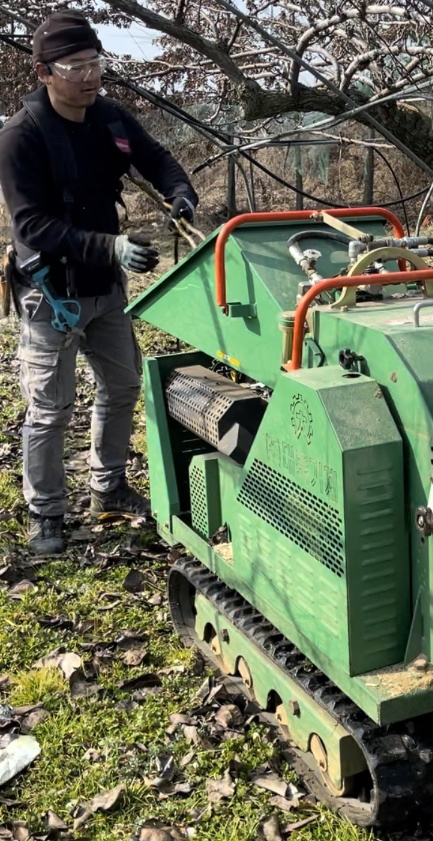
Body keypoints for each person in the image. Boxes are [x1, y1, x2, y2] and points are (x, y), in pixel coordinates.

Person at [0, 10, 198, 555]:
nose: (89, 76)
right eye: (75, 67)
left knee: (122, 385)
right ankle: (46, 513)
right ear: (43, 72)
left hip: (105, 288)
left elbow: (157, 159)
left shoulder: (109, 120)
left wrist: (179, 192)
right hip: (50, 292)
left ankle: (107, 486)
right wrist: (110, 244)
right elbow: (32, 226)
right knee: (50, 408)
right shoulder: (22, 136)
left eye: (96, 63)